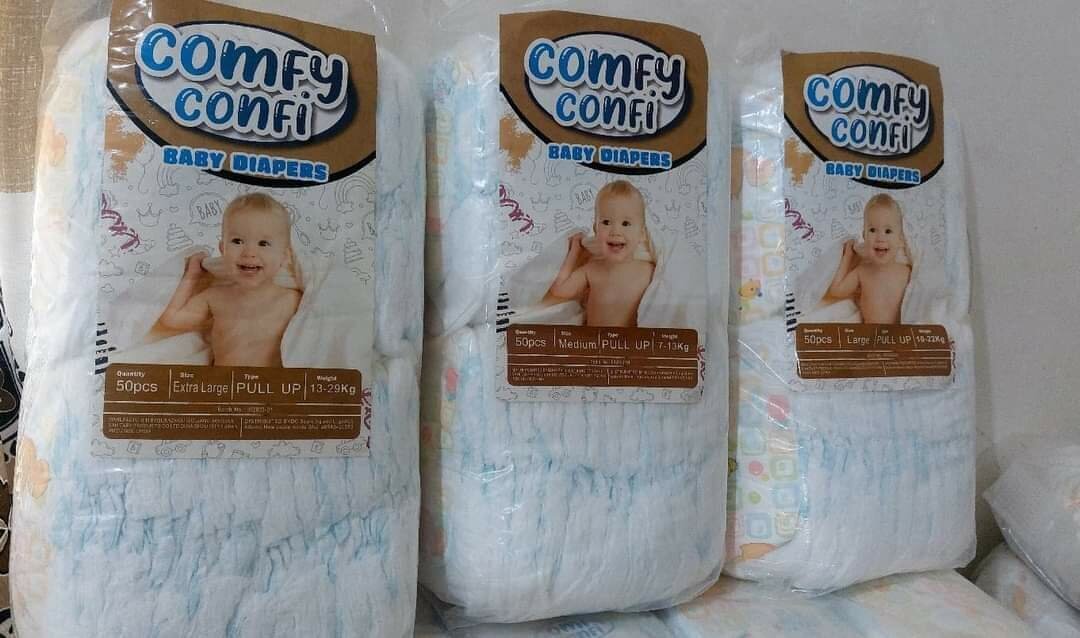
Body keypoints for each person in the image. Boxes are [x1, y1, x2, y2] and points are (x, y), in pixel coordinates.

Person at [157, 193, 301, 366]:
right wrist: (192, 275)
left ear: (285, 256)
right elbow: (172, 319)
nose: (249, 252)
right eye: (237, 241)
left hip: (271, 382)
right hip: (223, 381)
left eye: (263, 243)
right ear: (222, 249)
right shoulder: (215, 297)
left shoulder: (292, 300)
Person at [547, 180, 655, 327]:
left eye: (625, 223)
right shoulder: (592, 270)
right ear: (596, 229)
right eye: (606, 222)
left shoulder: (649, 272)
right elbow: (559, 290)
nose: (615, 231)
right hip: (593, 341)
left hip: (632, 341)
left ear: (642, 234)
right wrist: (575, 250)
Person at [826, 194, 912, 324]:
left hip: (900, 334)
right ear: (864, 236)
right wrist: (847, 256)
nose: (880, 238)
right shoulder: (862, 272)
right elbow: (836, 290)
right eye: (872, 230)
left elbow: (922, 300)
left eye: (888, 231)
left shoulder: (907, 272)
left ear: (900, 240)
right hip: (870, 334)